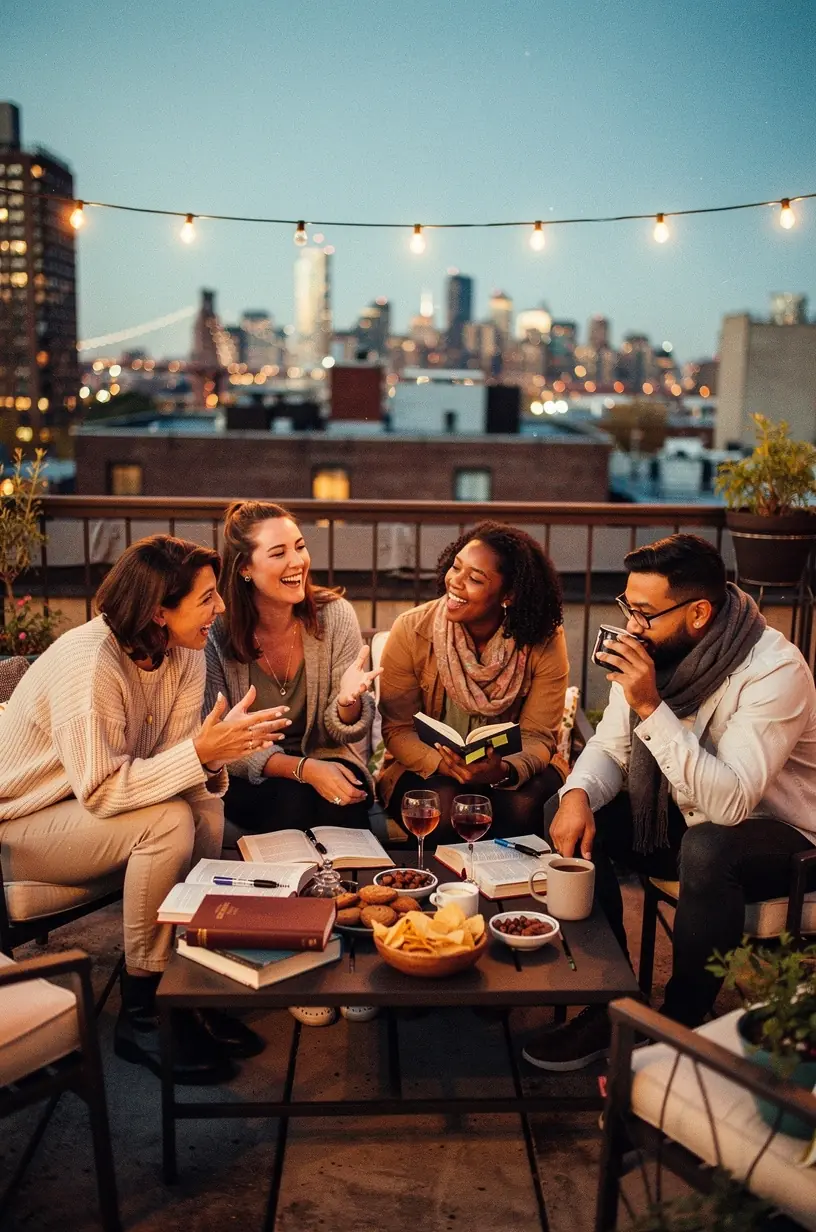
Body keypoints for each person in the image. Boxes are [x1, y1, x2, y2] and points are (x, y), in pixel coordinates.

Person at [523, 533, 816, 1073]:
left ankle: (679, 1022)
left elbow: (730, 806)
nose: (631, 626)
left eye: (644, 613)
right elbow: (610, 748)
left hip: (784, 838)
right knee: (561, 808)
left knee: (708, 846)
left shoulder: (774, 670)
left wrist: (650, 706)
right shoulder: (656, 654)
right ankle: (612, 1002)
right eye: (627, 608)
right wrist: (577, 795)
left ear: (699, 612)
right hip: (683, 816)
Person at [0, 535, 289, 1083]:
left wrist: (208, 757)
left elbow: (177, 765)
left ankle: (189, 980)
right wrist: (201, 753)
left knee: (203, 807)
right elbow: (105, 791)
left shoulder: (184, 653)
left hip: (79, 807)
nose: (221, 608)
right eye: (207, 598)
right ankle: (142, 1014)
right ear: (159, 609)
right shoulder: (90, 664)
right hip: (18, 823)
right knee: (168, 821)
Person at [378, 521, 570, 841]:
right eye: (456, 567)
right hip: (426, 768)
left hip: (511, 766)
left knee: (521, 806)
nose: (455, 582)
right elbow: (397, 730)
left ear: (508, 594)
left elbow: (539, 735)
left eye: (475, 579)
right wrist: (442, 763)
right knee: (444, 809)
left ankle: (503, 888)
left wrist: (505, 771)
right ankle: (449, 891)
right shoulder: (412, 629)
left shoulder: (543, 638)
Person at [204, 500, 381, 835]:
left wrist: (347, 703)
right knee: (291, 801)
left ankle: (345, 886)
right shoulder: (215, 631)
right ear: (245, 567)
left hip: (325, 756)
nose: (297, 561)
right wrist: (304, 769)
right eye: (278, 553)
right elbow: (219, 739)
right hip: (246, 773)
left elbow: (344, 733)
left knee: (347, 799)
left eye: (300, 547)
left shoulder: (335, 615)